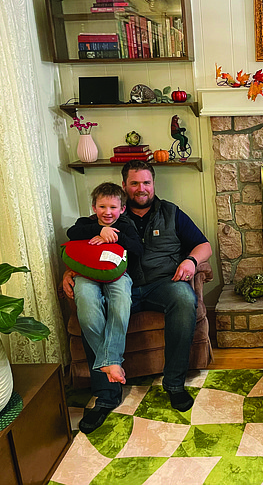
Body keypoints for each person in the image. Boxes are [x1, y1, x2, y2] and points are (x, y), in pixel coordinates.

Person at [63, 160, 212, 432]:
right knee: (89, 306)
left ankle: (175, 383)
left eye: (146, 182)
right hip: (117, 284)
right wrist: (71, 272)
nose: (141, 188)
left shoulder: (171, 212)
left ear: (154, 184)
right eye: (134, 183)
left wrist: (191, 261)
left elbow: (204, 245)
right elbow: (80, 244)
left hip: (162, 284)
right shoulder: (110, 213)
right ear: (124, 186)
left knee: (184, 299)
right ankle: (106, 396)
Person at [66, 182, 143, 389]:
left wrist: (114, 236)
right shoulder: (85, 223)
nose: (107, 212)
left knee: (120, 304)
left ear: (122, 209)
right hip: (87, 275)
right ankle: (112, 362)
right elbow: (72, 234)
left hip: (119, 275)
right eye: (102, 207)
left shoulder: (126, 226)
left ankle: (107, 361)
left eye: (113, 207)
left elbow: (138, 249)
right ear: (94, 207)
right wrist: (101, 229)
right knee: (87, 306)